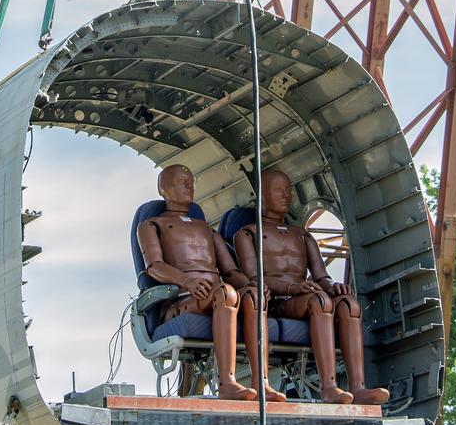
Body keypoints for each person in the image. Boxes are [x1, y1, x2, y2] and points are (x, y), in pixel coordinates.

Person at [234, 170, 389, 406]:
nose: (286, 195)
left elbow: (321, 277)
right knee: (320, 301)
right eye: (279, 190)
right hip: (276, 301)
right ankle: (329, 387)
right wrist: (292, 287)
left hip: (303, 295)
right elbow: (255, 278)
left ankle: (358, 386)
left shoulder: (302, 235)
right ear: (263, 195)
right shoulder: (248, 234)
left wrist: (334, 287)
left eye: (289, 190)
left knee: (349, 304)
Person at [137, 164, 285, 402]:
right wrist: (186, 280)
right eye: (180, 182)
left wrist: (251, 284)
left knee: (251, 296)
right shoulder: (151, 225)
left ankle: (262, 383)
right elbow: (154, 266)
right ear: (163, 189)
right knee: (225, 294)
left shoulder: (207, 230)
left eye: (191, 181)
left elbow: (230, 271)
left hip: (216, 293)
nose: (189, 186)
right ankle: (227, 383)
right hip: (180, 299)